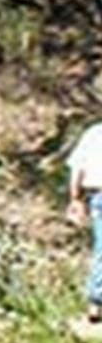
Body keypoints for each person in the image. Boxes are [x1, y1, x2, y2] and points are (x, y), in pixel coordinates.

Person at [67, 119, 102, 328]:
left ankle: (96, 304)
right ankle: (96, 301)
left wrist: (75, 198)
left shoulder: (93, 133)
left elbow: (76, 169)